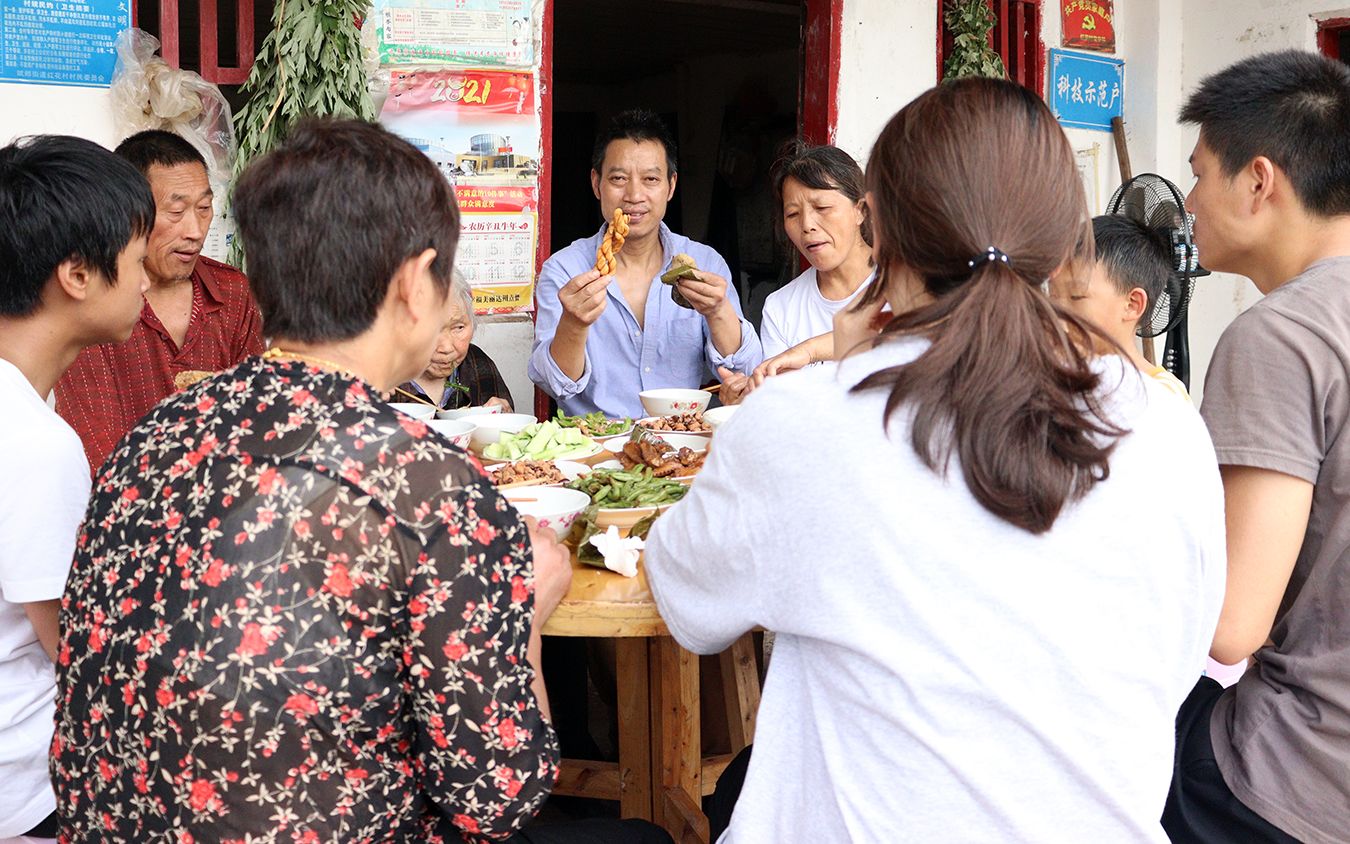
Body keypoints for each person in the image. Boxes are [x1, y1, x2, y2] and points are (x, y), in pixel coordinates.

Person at [645, 78, 1225, 841]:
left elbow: (689, 603)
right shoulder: (1168, 426)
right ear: (1064, 241)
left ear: (879, 224)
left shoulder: (804, 418)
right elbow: (1182, 652)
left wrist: (856, 354)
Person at [49, 119, 577, 841]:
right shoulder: (429, 485)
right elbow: (498, 795)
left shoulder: (149, 441)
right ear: (412, 285)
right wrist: (524, 620)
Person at [1161, 50, 1350, 844]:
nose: (1190, 204)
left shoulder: (1280, 336)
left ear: (1260, 181)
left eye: (1201, 175)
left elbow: (1231, 624)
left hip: (1294, 772)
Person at [0, 136, 153, 841]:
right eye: (136, 256)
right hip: (27, 786)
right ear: (78, 275)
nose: (147, 281)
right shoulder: (34, 442)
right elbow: (77, 645)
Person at [529, 109, 762, 419]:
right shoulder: (565, 270)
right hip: (595, 448)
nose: (634, 195)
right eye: (618, 179)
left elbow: (744, 374)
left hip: (681, 442)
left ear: (671, 186)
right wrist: (574, 323)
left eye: (651, 179)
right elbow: (555, 385)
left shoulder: (704, 263)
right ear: (596, 183)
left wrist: (718, 311)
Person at [54, 129, 264, 473]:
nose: (195, 230)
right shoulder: (92, 304)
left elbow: (254, 422)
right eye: (176, 211)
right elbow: (101, 456)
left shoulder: (233, 293)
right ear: (129, 213)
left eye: (204, 208)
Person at [720, 143, 875, 404]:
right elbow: (784, 405)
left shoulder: (905, 280)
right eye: (792, 214)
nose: (807, 225)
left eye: (822, 208)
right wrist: (751, 401)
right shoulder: (781, 307)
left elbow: (897, 333)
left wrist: (807, 351)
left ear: (859, 210)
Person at [1050, 215, 1190, 401]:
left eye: (1076, 296)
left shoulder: (1162, 396)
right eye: (1052, 298)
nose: (1057, 315)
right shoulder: (1058, 377)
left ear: (1133, 304)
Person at [394, 272, 514, 411]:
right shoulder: (377, 378)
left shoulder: (477, 362)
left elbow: (509, 427)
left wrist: (507, 421)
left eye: (459, 327)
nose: (446, 348)